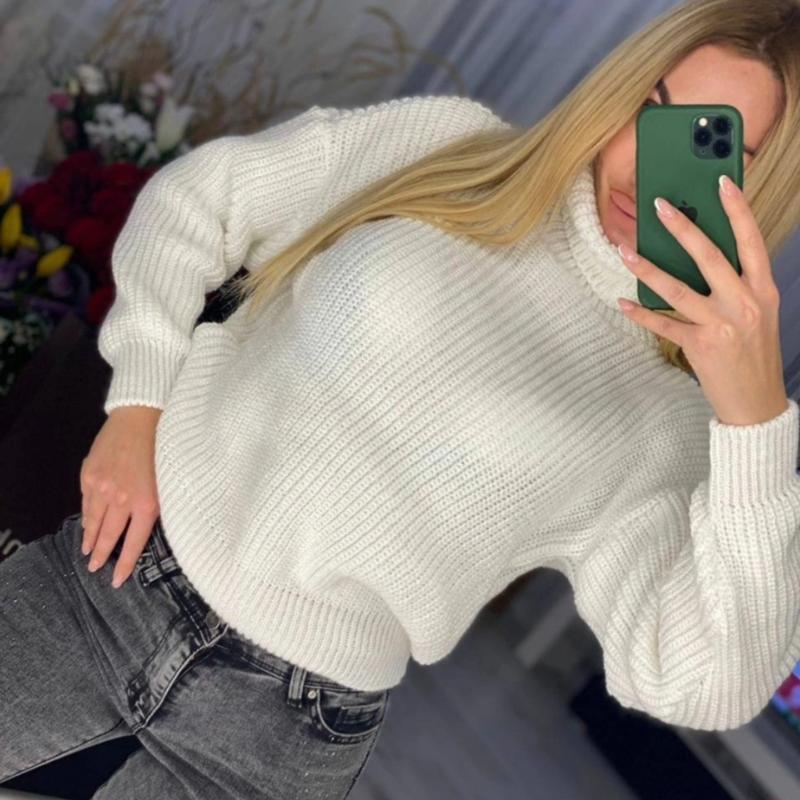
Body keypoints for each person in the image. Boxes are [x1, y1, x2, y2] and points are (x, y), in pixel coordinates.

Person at [3, 0, 800, 796]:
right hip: (119, 567)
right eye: (654, 107)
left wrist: (756, 421)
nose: (651, 160)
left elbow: (702, 684)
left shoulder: (672, 415)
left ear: (760, 188)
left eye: (713, 147)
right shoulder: (453, 150)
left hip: (285, 732)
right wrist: (138, 404)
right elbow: (200, 201)